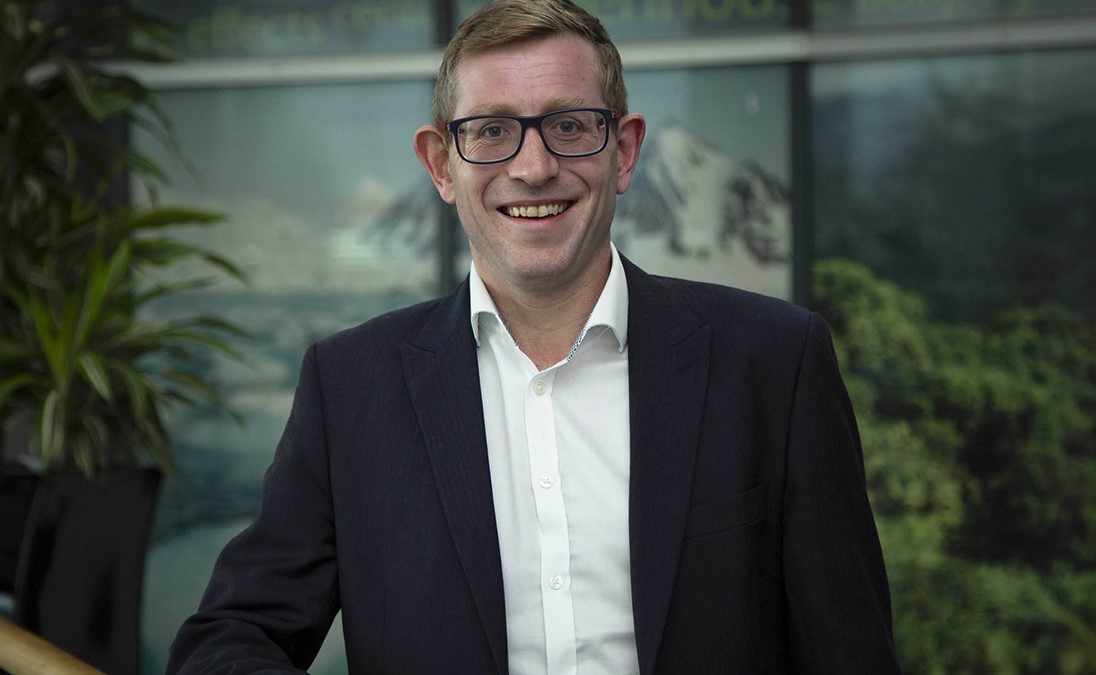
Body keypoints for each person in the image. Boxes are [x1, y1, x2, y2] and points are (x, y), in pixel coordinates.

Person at [168, 0, 901, 672]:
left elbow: (850, 650)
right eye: (490, 130)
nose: (533, 166)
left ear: (623, 151)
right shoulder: (350, 384)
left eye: (569, 125)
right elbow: (233, 634)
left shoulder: (775, 362)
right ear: (440, 164)